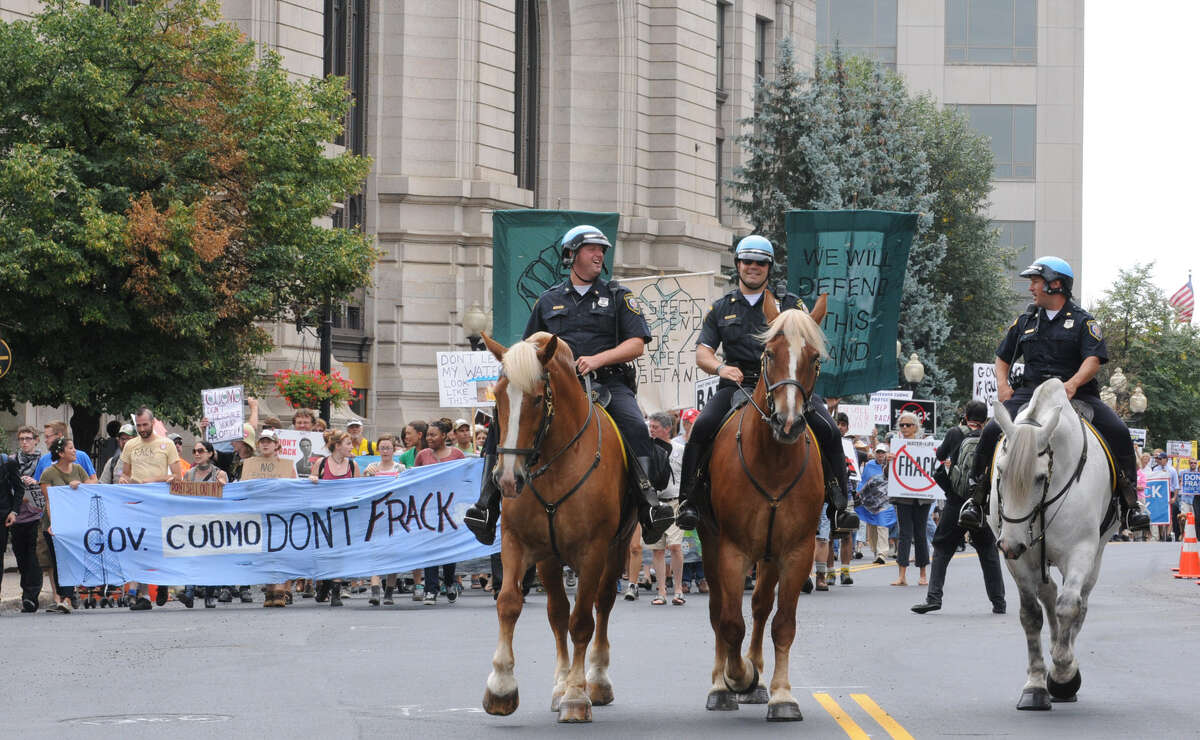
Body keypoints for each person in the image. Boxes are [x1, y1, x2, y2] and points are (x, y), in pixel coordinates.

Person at [465, 224, 675, 546]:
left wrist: (598, 359)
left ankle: (649, 504)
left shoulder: (618, 296)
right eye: (592, 249)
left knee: (633, 425)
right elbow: (527, 351)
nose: (599, 254)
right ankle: (486, 505)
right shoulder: (547, 301)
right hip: (555, 389)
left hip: (608, 383)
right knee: (502, 425)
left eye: (602, 250)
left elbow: (636, 344)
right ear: (571, 255)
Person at [674, 235, 858, 534]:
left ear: (769, 268)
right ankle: (688, 501)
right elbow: (702, 352)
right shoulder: (721, 307)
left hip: (788, 383)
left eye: (761, 262)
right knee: (702, 426)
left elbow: (808, 342)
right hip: (739, 383)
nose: (753, 267)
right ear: (738, 265)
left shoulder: (790, 304)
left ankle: (841, 503)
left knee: (828, 429)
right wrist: (721, 368)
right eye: (747, 261)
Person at [959, 257, 1150, 532]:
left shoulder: (1084, 322)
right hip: (1029, 393)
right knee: (990, 432)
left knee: (1119, 431)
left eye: (1036, 282)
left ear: (1056, 285)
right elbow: (1002, 358)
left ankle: (1130, 505)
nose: (1031, 288)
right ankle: (976, 500)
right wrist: (1002, 385)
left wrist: (1072, 384)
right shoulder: (1025, 320)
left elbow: (1093, 360)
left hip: (1077, 395)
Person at [912, 401, 1006, 615]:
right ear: (985, 420)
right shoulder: (992, 435)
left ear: (965, 416)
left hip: (956, 501)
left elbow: (940, 456)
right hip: (981, 502)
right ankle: (999, 602)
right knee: (987, 552)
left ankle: (934, 597)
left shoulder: (955, 432)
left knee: (943, 549)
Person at [118, 407, 183, 610]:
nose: (142, 429)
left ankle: (165, 583)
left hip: (160, 502)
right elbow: (126, 474)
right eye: (138, 426)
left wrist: (153, 480)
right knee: (141, 547)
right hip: (138, 504)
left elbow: (177, 476)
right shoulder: (131, 445)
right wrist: (124, 480)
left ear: (152, 423)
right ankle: (144, 596)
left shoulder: (167, 444)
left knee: (162, 546)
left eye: (145, 425)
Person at [39, 437, 97, 613]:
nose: (74, 451)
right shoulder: (48, 474)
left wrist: (80, 485)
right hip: (54, 524)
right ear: (61, 453)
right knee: (58, 561)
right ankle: (65, 597)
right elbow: (49, 501)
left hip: (75, 523)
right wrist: (55, 524)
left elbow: (93, 485)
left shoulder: (79, 469)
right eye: (70, 448)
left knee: (72, 559)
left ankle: (69, 596)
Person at [240, 429, 297, 607]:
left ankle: (280, 590)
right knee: (265, 552)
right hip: (259, 515)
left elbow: (295, 487)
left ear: (276, 444)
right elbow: (243, 488)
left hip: (280, 514)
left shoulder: (287, 465)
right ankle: (270, 589)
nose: (265, 444)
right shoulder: (249, 464)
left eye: (269, 441)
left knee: (280, 551)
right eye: (262, 441)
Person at [416, 420, 465, 605]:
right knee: (430, 549)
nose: (429, 438)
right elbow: (414, 481)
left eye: (433, 435)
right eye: (428, 435)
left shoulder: (457, 455)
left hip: (450, 509)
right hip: (428, 509)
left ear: (444, 436)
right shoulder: (422, 455)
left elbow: (464, 478)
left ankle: (450, 582)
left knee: (449, 548)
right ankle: (430, 590)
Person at [308, 430, 359, 606]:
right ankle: (324, 587)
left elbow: (360, 490)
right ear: (337, 446)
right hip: (324, 516)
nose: (352, 447)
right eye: (348, 444)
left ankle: (335, 591)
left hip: (344, 516)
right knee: (325, 553)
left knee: (339, 553)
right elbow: (311, 488)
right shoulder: (321, 463)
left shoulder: (353, 466)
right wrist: (313, 479)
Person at [647, 412, 686, 606]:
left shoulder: (680, 450)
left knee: (675, 546)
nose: (651, 430)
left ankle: (678, 589)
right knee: (658, 549)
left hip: (675, 502)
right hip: (654, 503)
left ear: (667, 428)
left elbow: (686, 477)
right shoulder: (647, 449)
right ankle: (661, 591)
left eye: (655, 427)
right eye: (650, 426)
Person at [2, 427, 43, 613]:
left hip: (36, 515)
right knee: (21, 558)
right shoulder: (11, 461)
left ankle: (31, 596)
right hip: (17, 516)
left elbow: (48, 483)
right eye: (21, 439)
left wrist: (36, 483)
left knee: (33, 556)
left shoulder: (42, 461)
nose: (24, 442)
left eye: (28, 438)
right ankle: (26, 592)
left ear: (36, 440)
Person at [183, 441, 228, 608]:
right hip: (194, 521)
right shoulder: (189, 475)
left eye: (200, 451)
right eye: (194, 451)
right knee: (192, 557)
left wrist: (222, 485)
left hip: (213, 522)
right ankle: (189, 592)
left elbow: (226, 494)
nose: (196, 454)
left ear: (210, 453)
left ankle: (210, 593)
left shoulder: (219, 473)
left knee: (211, 558)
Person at [888, 412, 931, 587]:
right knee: (904, 534)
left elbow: (933, 467)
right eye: (902, 425)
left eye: (908, 425)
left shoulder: (926, 445)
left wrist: (945, 464)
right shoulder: (894, 446)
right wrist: (888, 463)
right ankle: (902, 575)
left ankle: (923, 574)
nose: (905, 428)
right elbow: (887, 476)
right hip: (902, 497)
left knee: (920, 534)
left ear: (916, 426)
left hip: (922, 498)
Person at [364, 434, 404, 605]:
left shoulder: (400, 467)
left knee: (393, 553)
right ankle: (374, 590)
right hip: (376, 515)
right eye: (382, 448)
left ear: (393, 450)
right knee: (375, 552)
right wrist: (366, 474)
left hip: (395, 515)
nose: (385, 451)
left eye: (388, 448)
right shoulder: (372, 467)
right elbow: (363, 488)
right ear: (378, 450)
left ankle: (389, 591)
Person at [857, 443, 895, 564]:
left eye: (883, 452)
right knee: (873, 525)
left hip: (886, 502)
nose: (880, 455)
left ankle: (882, 553)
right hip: (871, 500)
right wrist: (859, 492)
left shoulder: (891, 465)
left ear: (887, 454)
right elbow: (864, 481)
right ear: (875, 454)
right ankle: (875, 550)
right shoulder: (869, 465)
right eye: (878, 452)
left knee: (882, 525)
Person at [1147, 451, 1179, 542]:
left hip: (1170, 493)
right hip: (1159, 494)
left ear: (1166, 459)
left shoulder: (1172, 470)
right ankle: (1161, 535)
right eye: (1159, 459)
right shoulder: (1155, 469)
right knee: (1160, 514)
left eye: (1161, 459)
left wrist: (1174, 497)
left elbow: (1176, 485)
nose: (1159, 460)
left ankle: (1168, 535)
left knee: (1170, 515)